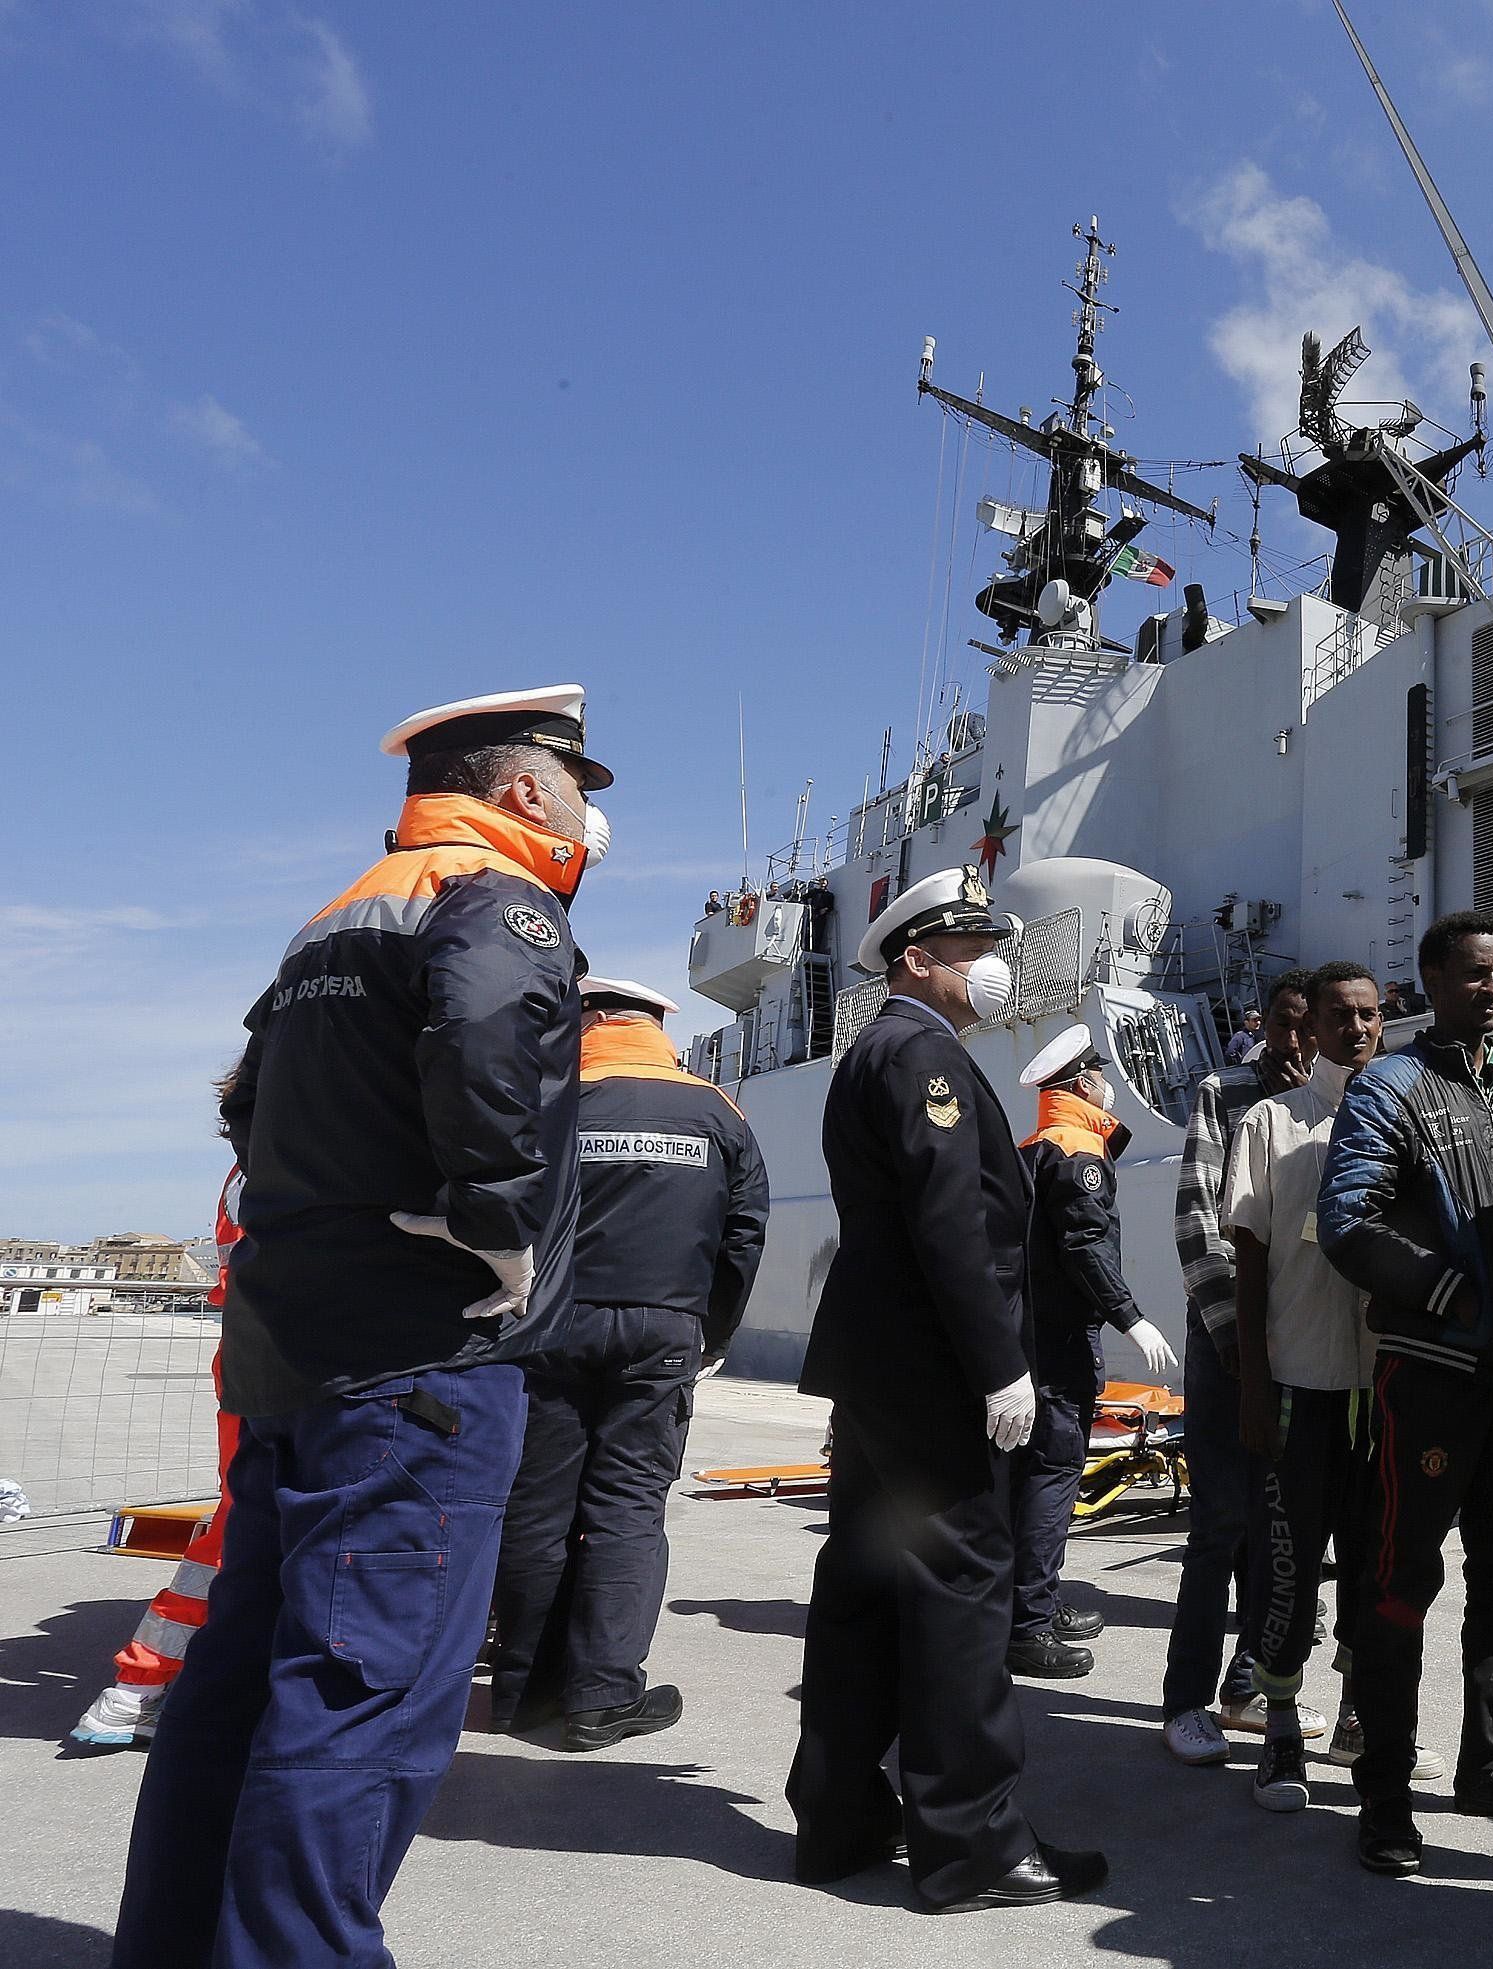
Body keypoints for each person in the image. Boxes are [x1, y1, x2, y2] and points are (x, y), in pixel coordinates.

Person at [113, 685, 610, 1969]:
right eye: (580, 788)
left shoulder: (329, 919)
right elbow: (493, 1029)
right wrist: (495, 1215)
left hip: (296, 1351)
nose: (592, 818)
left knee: (235, 1690)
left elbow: (246, 1099)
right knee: (363, 1696)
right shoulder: (498, 901)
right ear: (520, 791)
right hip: (421, 1365)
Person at [787, 865, 1106, 1911]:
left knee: (863, 1589)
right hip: (931, 1375)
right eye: (972, 949)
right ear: (918, 959)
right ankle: (972, 1845)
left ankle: (838, 1822)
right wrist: (1001, 1365)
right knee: (964, 1590)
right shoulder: (922, 1053)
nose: (992, 965)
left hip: (878, 1371)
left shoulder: (877, 1050)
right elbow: (949, 1224)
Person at [1321, 910, 1493, 1875]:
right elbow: (1345, 1221)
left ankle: (1487, 1762)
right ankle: (1384, 1795)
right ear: (1426, 980)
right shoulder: (1388, 1087)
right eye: (1474, 974)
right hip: (1428, 1380)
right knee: (1396, 1585)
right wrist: (1456, 1294)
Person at [486, 975, 768, 1748]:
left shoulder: (553, 1100)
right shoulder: (717, 1110)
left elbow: (504, 1205)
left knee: (537, 1506)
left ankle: (518, 1693)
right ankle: (602, 1695)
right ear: (655, 1026)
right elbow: (744, 1232)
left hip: (550, 1321)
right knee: (630, 1507)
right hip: (663, 1329)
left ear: (594, 1018)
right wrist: (709, 1331)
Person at [1225, 960, 1386, 1813]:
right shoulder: (1271, 1124)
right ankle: (1281, 1726)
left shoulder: (1407, 1115)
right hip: (1300, 1382)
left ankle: (1359, 1709)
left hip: (1383, 1389)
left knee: (1376, 1560)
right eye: (1338, 1016)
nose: (1354, 1029)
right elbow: (1247, 1267)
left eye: (1367, 1015)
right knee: (1290, 1566)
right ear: (1310, 1026)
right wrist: (1253, 1384)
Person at [1164, 969, 1320, 1763]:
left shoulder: (1331, 1105)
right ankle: (1183, 1698)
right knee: (1219, 1523)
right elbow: (1196, 1216)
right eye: (1284, 1026)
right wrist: (1235, 1334)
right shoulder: (1224, 1093)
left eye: (1307, 1027)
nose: (1294, 1044)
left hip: (1297, 1345)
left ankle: (1249, 1682)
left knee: (1275, 1525)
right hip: (1229, 1341)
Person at [1011, 1022, 1179, 1679]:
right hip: (1062, 1343)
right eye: (1100, 1074)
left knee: (1030, 1478)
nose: (1108, 1084)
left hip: (1031, 1336)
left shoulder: (1036, 1144)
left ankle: (1033, 1601)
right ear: (1083, 1083)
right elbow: (1083, 1247)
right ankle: (1026, 1625)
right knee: (1052, 1478)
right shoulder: (1080, 1151)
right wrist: (1131, 1318)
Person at [71, 1158, 244, 1751]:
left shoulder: (257, 1147)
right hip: (294, 1359)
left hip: (252, 1352)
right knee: (242, 1527)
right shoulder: (316, 1135)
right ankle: (140, 1688)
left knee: (236, 1520)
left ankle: (141, 1688)